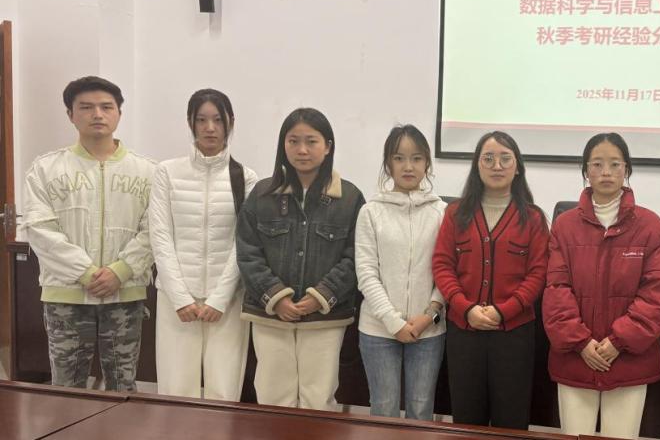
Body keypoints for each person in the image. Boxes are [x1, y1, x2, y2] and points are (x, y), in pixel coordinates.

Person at [22, 76, 156, 391]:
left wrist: (120, 270)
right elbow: (40, 229)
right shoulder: (46, 169)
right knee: (67, 388)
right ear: (70, 114)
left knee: (122, 387)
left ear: (119, 113)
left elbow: (155, 229)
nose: (97, 114)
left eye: (106, 107)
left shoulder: (148, 171)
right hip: (66, 295)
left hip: (124, 293)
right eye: (86, 107)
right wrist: (84, 272)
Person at [543, 132, 660, 439]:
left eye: (615, 164)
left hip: (628, 359)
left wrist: (617, 341)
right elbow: (556, 290)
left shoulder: (652, 227)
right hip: (576, 357)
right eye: (597, 164)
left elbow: (657, 296)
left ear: (626, 169)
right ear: (585, 170)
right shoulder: (564, 226)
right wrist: (581, 342)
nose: (606, 172)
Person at [235, 107, 364, 410]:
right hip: (270, 314)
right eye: (293, 141)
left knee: (318, 399)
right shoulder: (262, 194)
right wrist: (276, 297)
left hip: (325, 317)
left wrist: (320, 296)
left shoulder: (350, 198)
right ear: (283, 145)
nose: (302, 150)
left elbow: (356, 255)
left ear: (328, 146)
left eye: (311, 141)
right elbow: (248, 251)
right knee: (272, 395)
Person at [431, 131, 549, 430]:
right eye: (488, 158)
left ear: (517, 167)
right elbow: (442, 265)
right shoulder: (456, 213)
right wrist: (466, 308)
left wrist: (503, 311)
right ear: (477, 165)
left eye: (505, 159)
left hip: (514, 336)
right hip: (464, 332)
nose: (497, 166)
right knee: (466, 419)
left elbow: (538, 274)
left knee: (511, 420)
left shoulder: (533, 218)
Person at [149, 89, 258, 400]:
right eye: (201, 120)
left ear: (230, 122)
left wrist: (220, 299)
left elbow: (245, 242)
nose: (210, 128)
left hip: (227, 301)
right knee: (175, 390)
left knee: (223, 390)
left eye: (218, 120)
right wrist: (180, 298)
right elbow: (160, 236)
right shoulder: (167, 172)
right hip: (176, 300)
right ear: (190, 123)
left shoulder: (245, 177)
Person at [355, 124, 446, 420]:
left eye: (416, 158)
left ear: (427, 163)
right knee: (384, 409)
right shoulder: (371, 212)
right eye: (399, 158)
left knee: (421, 409)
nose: (408, 166)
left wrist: (429, 315)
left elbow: (447, 271)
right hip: (378, 328)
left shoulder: (442, 212)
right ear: (388, 163)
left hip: (428, 329)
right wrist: (393, 322)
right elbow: (366, 273)